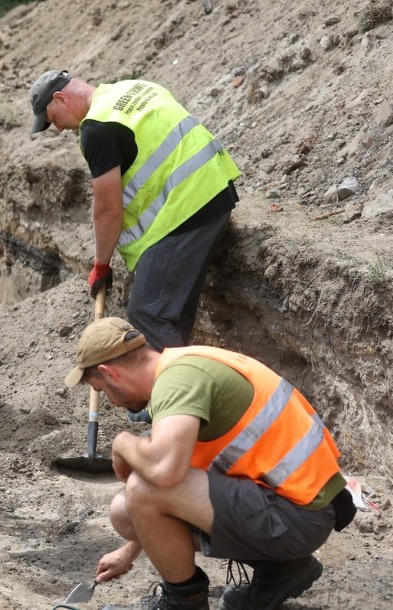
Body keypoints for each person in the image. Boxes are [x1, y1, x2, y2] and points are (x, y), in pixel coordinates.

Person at [63, 317, 356, 610]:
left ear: (109, 373)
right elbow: (184, 474)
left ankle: (184, 603)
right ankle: (284, 570)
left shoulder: (178, 382)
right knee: (126, 509)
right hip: (296, 509)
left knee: (142, 488)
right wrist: (129, 551)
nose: (111, 402)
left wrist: (122, 442)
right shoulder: (183, 368)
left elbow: (164, 475)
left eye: (102, 390)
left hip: (297, 518)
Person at [29, 71, 241, 354]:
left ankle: (183, 391)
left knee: (147, 313)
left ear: (60, 98)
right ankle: (177, 382)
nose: (58, 129)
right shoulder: (133, 88)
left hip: (187, 209)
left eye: (53, 119)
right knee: (171, 317)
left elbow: (108, 210)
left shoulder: (95, 129)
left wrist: (101, 265)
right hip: (215, 188)